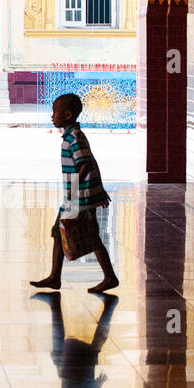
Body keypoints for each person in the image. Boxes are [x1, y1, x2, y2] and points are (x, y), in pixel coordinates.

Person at [30, 93, 119, 294]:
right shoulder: (71, 136)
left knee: (85, 235)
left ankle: (108, 277)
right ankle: (56, 276)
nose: (52, 116)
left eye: (55, 112)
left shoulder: (74, 138)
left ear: (68, 114)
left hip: (80, 198)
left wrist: (74, 188)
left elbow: (85, 164)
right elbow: (91, 161)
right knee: (60, 231)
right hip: (79, 196)